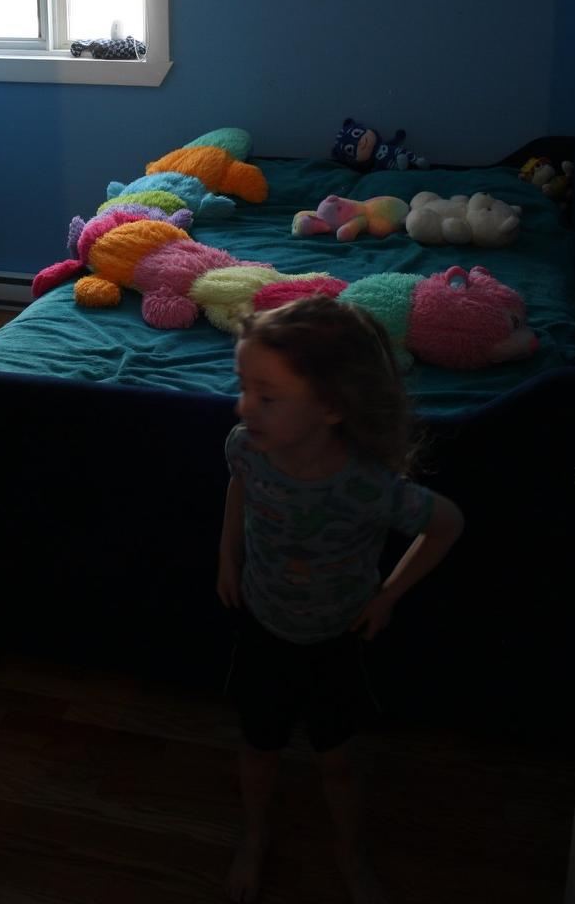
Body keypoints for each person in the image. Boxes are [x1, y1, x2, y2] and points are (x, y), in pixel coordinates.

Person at [217, 295, 464, 904]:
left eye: (267, 395)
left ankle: (349, 854)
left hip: (337, 638)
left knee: (339, 761)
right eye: (243, 386)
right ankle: (255, 836)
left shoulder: (368, 486)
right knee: (258, 746)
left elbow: (447, 525)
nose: (244, 406)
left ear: (330, 406)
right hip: (263, 625)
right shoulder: (247, 446)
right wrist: (227, 555)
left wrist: (389, 595)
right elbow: (239, 487)